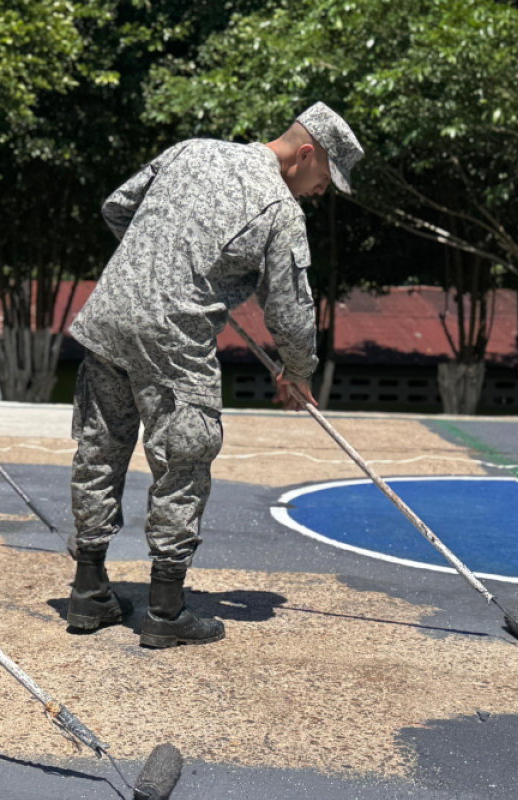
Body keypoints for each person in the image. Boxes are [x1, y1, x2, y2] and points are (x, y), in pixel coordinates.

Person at [64, 102, 363, 648]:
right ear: (306, 154)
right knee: (185, 458)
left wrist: (156, 261)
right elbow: (292, 310)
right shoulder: (279, 207)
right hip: (174, 338)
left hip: (109, 316)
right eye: (325, 178)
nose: (321, 192)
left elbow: (116, 207)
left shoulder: (192, 150)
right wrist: (297, 371)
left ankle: (87, 591)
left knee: (99, 448)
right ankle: (167, 610)